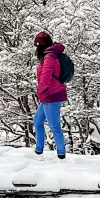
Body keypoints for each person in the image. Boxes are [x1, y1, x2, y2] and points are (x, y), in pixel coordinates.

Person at [33, 31, 67, 159]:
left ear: (41, 45)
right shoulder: (51, 55)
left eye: (38, 46)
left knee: (54, 126)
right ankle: (38, 151)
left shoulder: (49, 57)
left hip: (51, 95)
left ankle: (61, 155)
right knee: (37, 120)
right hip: (49, 95)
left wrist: (40, 91)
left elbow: (46, 77)